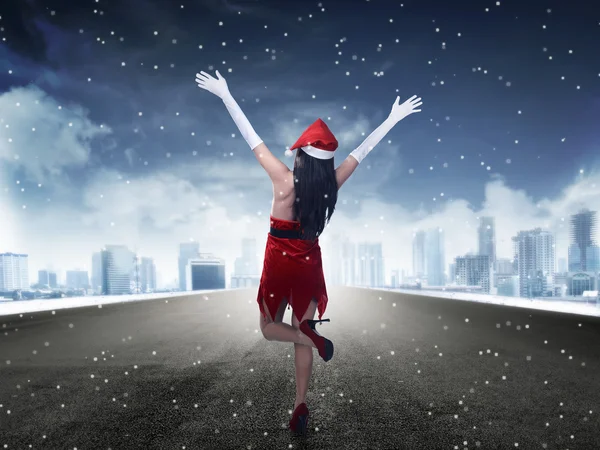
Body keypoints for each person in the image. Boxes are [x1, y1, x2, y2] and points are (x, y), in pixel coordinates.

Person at [194, 70, 422, 435]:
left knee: (269, 328)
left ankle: (307, 336)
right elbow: (361, 152)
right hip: (309, 263)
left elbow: (250, 136)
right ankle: (301, 404)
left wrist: (225, 95)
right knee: (304, 326)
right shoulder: (332, 184)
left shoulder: (282, 180)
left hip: (279, 262)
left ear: (300, 154)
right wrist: (392, 119)